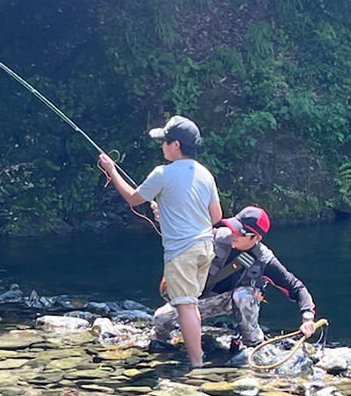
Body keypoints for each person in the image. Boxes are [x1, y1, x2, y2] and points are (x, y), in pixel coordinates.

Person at [98, 115, 222, 368]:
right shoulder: (205, 174)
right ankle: (197, 354)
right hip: (205, 249)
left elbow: (134, 199)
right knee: (191, 303)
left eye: (165, 141)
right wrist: (166, 211)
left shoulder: (162, 173)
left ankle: (197, 364)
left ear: (176, 145)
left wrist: (111, 170)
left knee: (185, 306)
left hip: (182, 252)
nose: (162, 145)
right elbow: (216, 216)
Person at [151, 205, 317, 351]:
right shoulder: (215, 237)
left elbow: (297, 288)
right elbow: (183, 231)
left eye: (241, 232)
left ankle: (252, 343)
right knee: (160, 317)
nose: (234, 233)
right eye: (234, 227)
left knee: (245, 295)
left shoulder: (265, 261)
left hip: (232, 301)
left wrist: (307, 318)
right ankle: (167, 344)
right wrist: (164, 217)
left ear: (256, 238)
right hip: (198, 300)